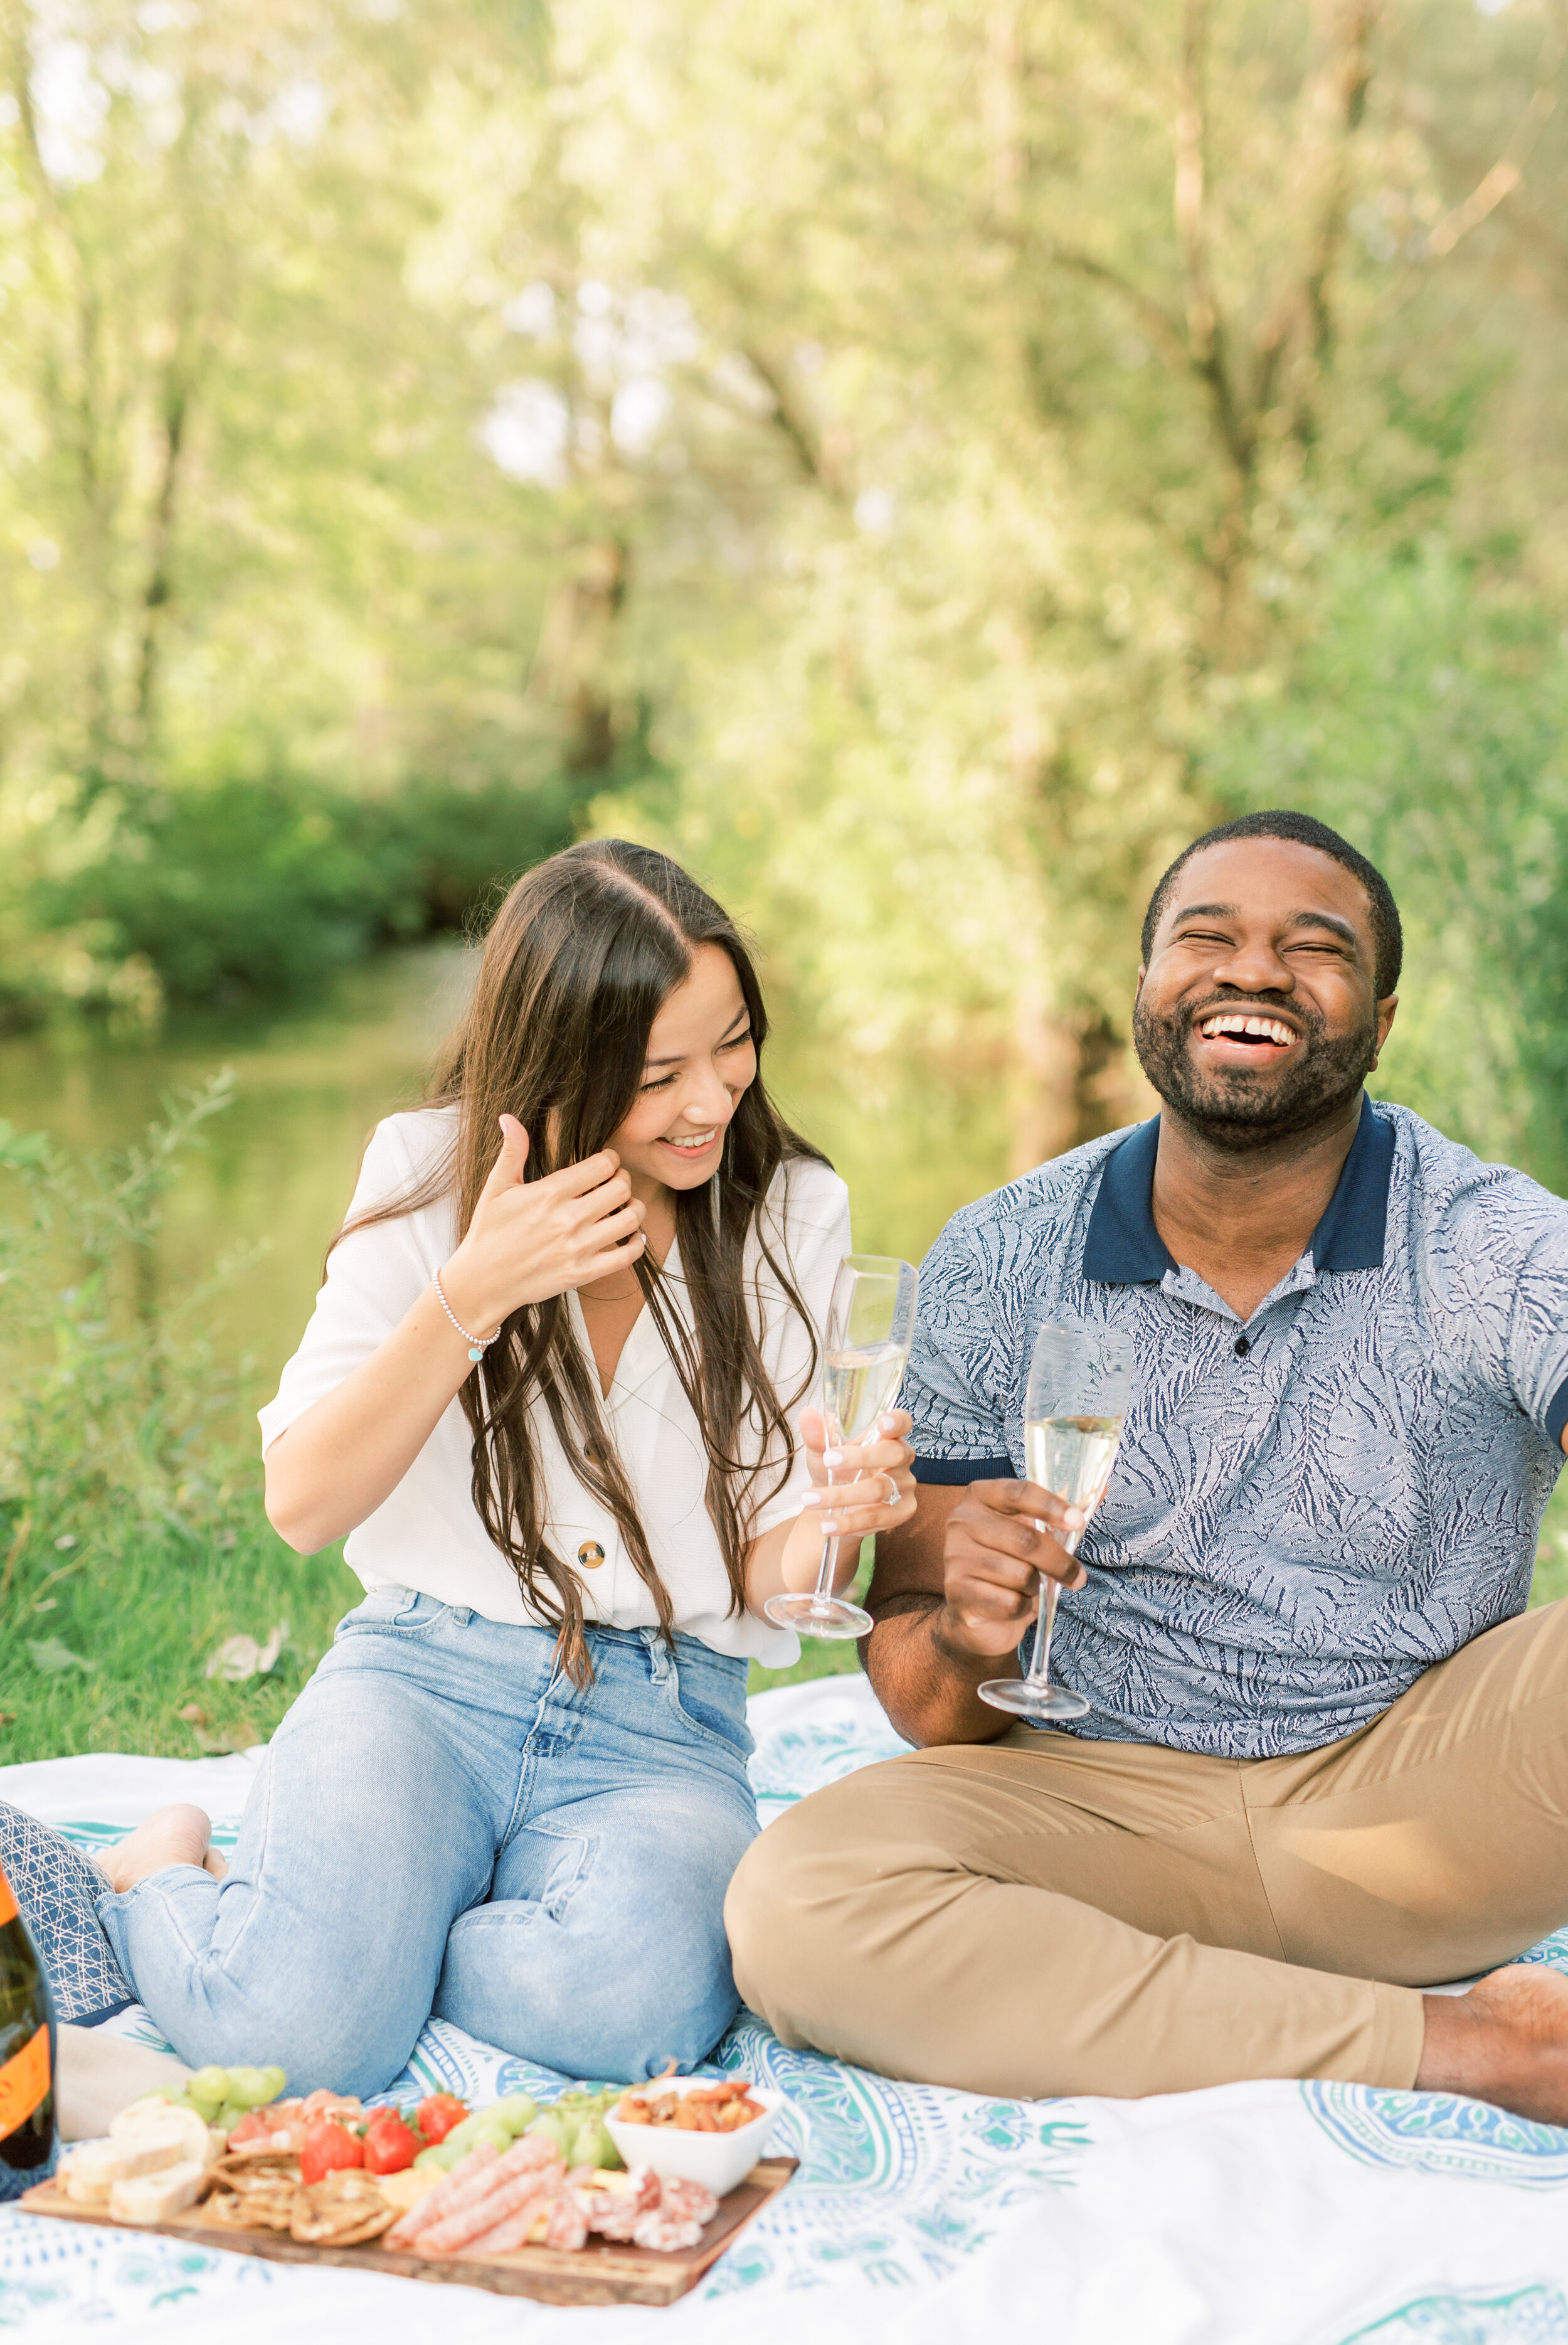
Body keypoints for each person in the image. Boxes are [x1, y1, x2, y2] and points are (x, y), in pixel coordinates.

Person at [726, 808, 1568, 2124]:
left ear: (1380, 1019)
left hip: (1419, 1815)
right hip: (1096, 1813)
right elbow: (925, 1705)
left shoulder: (1491, 1240)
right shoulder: (1000, 1253)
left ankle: (1167, 2004)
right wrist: (964, 1633)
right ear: (1143, 991)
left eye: (1314, 947)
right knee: (795, 1903)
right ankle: (1465, 2046)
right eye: (1206, 937)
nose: (1253, 972)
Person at [91, 840, 916, 2095]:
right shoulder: (427, 1178)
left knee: (626, 2006)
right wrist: (466, 1295)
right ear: (561, 1066)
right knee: (297, 2049)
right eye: (658, 1074)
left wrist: (838, 1521)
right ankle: (168, 1869)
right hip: (422, 1680)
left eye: (733, 1044)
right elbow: (303, 1504)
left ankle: (368, 1932)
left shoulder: (790, 1211)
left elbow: (764, 1575)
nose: (712, 1101)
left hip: (661, 1722)